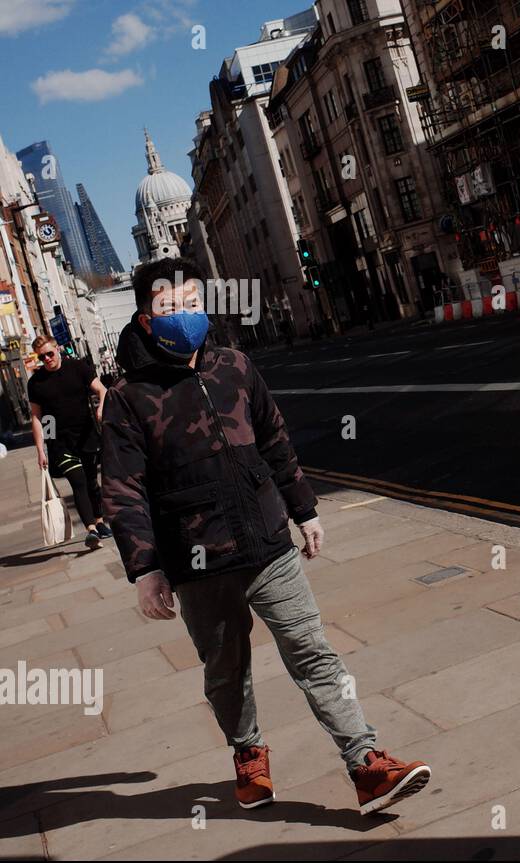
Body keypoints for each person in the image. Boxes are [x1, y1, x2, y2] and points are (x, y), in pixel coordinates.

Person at [100, 256, 431, 815]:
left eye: (191, 302)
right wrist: (146, 568)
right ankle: (248, 755)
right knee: (227, 673)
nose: (183, 315)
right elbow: (123, 491)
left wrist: (305, 510)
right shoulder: (128, 398)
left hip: (268, 543)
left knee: (314, 653)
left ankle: (365, 761)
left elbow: (276, 440)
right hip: (197, 563)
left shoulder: (234, 366)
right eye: (168, 307)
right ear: (144, 318)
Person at [27, 334, 112, 549]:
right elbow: (37, 416)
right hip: (58, 440)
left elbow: (102, 390)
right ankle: (91, 530)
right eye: (41, 356)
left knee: (92, 481)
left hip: (86, 434)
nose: (46, 359)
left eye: (49, 353)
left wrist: (102, 407)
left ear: (57, 350)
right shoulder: (35, 383)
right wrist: (41, 448)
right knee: (79, 482)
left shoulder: (78, 368)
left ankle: (100, 522)